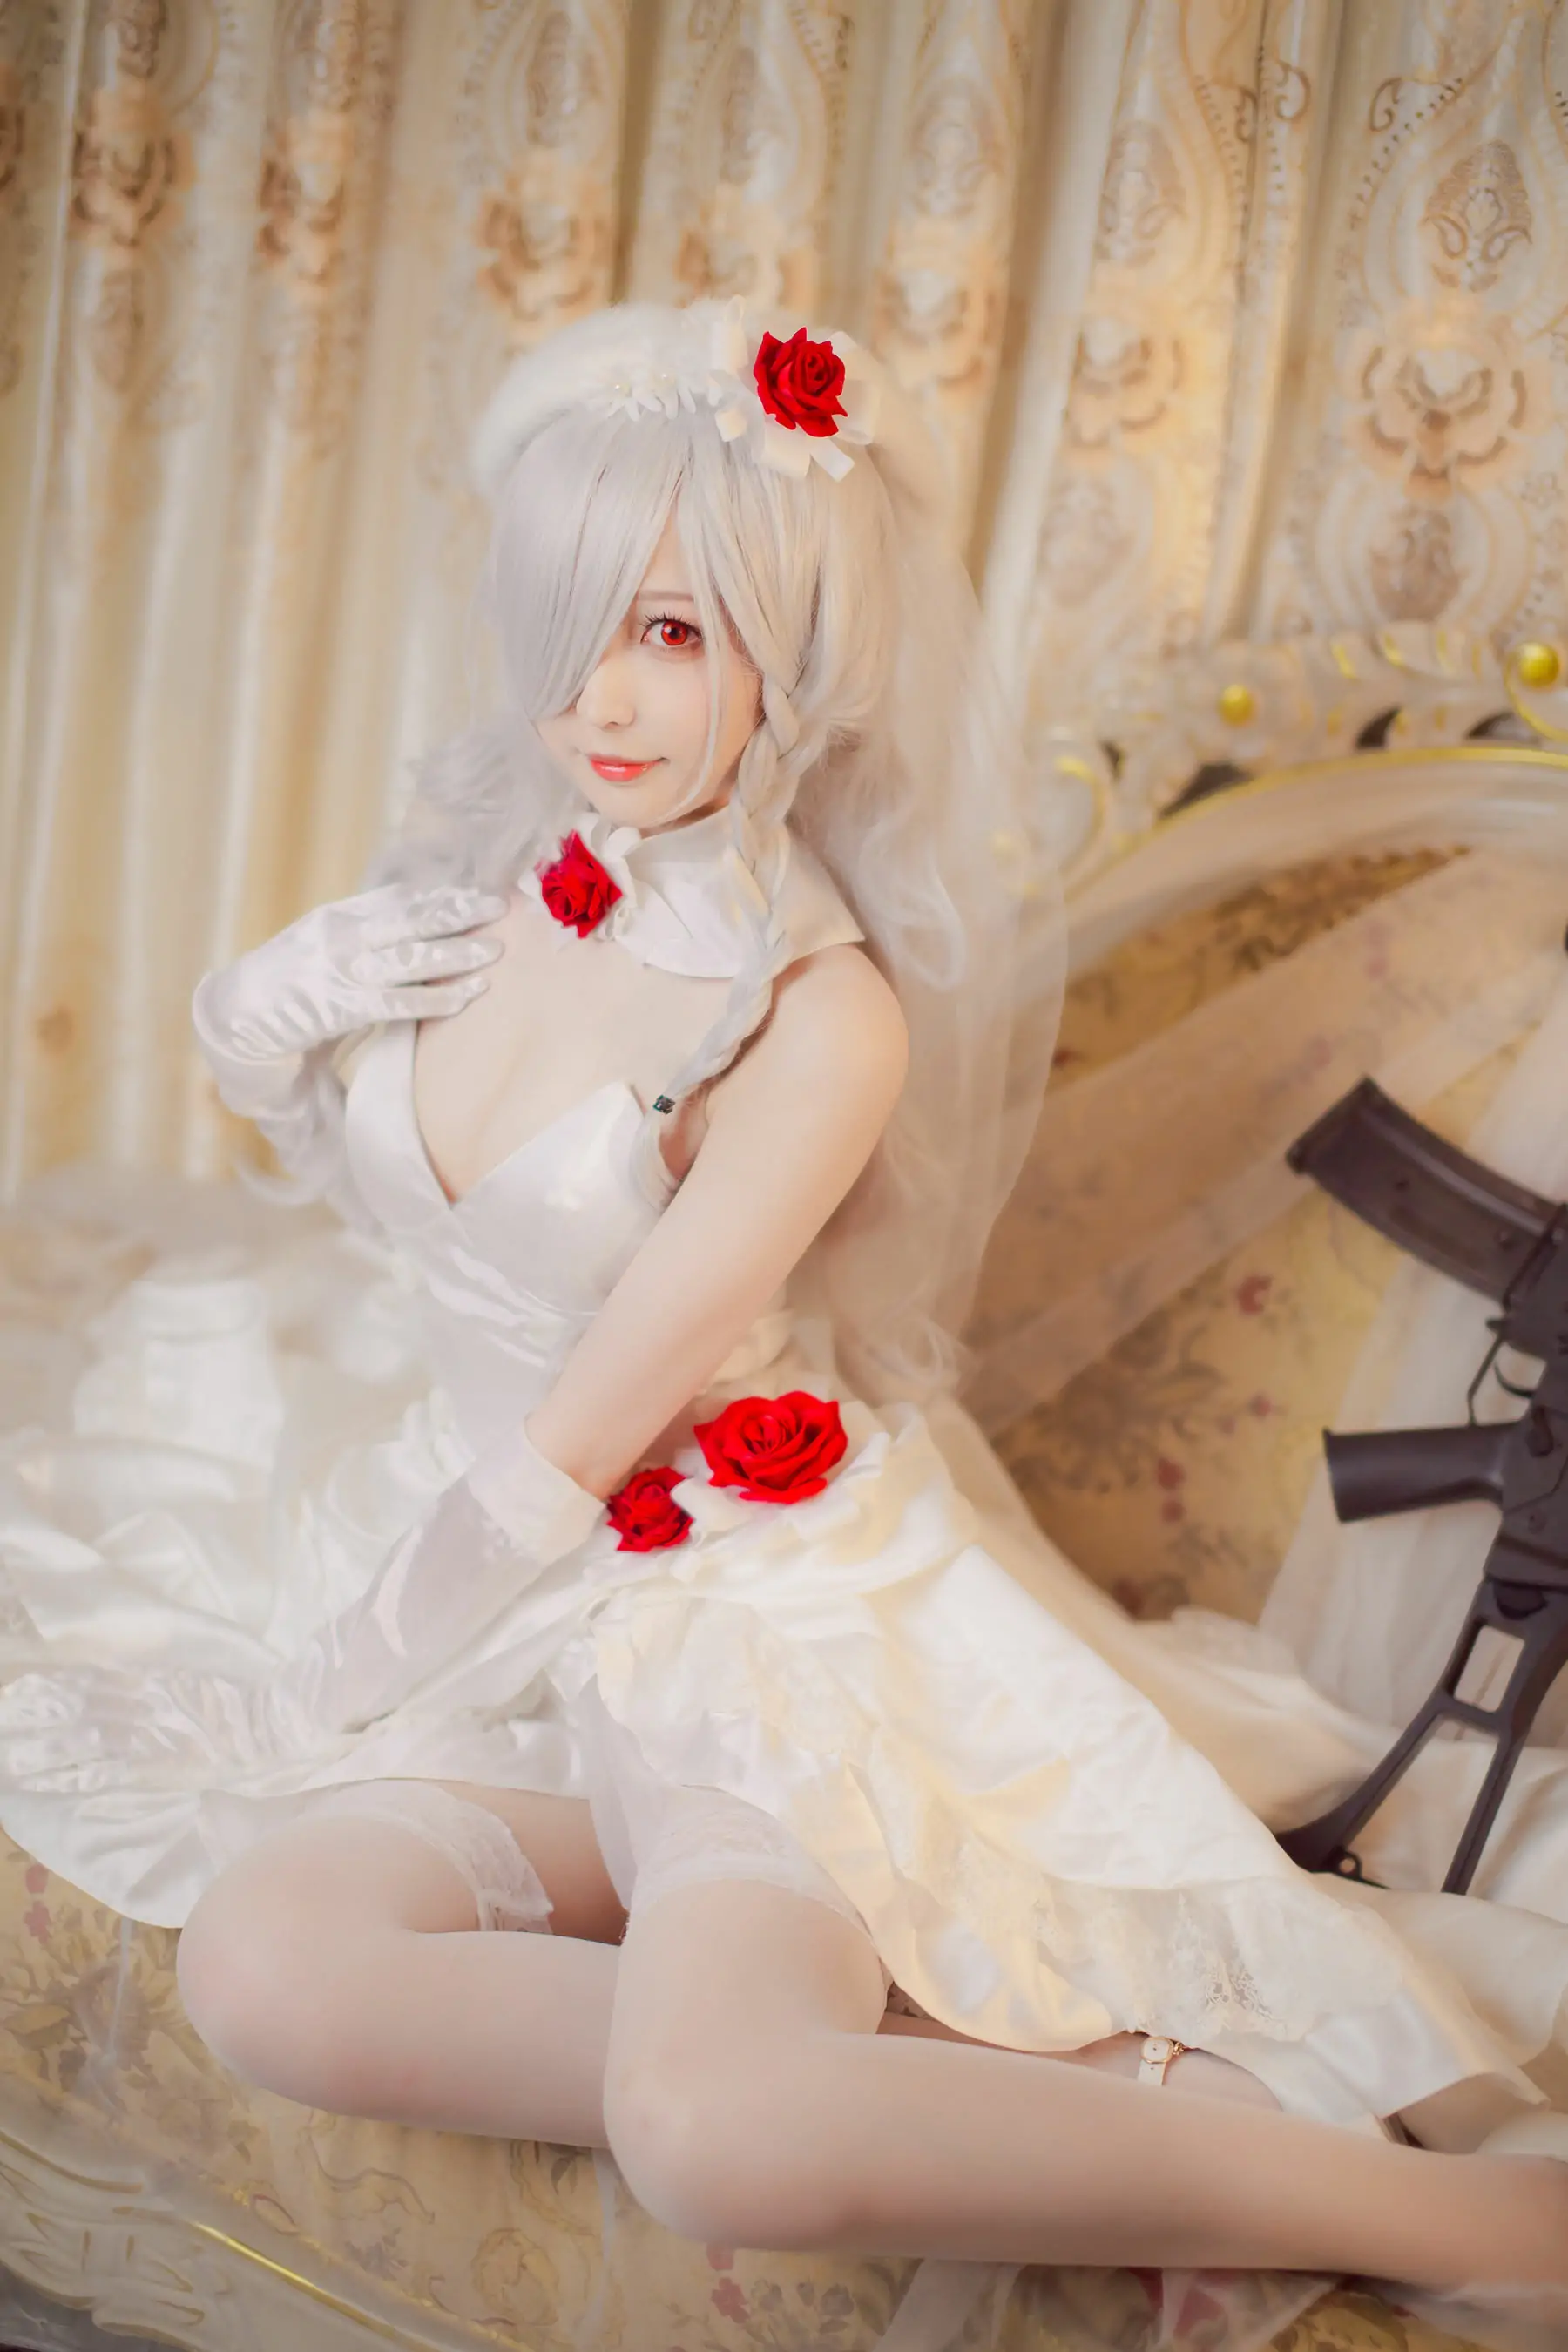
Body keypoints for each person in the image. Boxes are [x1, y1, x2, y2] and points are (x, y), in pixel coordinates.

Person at [3, 295, 1568, 2348]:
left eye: (671, 631)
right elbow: (397, 1209)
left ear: (794, 649)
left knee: (712, 2125)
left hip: (738, 1603)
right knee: (268, 1966)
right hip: (510, 1581)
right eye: (570, 625)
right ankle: (1050, 2080)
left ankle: (1464, 2218)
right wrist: (259, 1024)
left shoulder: (821, 1022)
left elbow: (585, 1431)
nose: (600, 697)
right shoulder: (503, 881)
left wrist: (338, 1678)